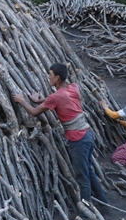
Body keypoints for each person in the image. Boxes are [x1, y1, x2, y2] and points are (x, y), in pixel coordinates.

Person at [12, 63, 108, 203]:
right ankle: (103, 200)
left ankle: (86, 212)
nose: (48, 77)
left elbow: (34, 112)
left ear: (57, 77)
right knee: (88, 170)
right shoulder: (73, 87)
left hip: (78, 139)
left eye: (50, 74)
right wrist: (38, 100)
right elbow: (59, 97)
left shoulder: (56, 97)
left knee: (82, 176)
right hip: (87, 135)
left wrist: (22, 101)